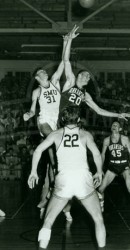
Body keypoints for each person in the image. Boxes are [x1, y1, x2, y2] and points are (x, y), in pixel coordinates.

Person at [28, 106, 106, 250]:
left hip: (64, 179)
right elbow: (96, 154)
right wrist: (99, 172)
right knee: (98, 219)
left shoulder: (56, 134)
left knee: (48, 221)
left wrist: (33, 171)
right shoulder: (86, 135)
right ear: (78, 120)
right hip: (83, 178)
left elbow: (38, 150)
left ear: (63, 119)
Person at [24, 26, 79, 219]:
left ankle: (54, 196)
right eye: (40, 73)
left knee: (54, 160)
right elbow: (32, 109)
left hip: (57, 123)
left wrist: (66, 41)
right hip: (44, 122)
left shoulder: (55, 82)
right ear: (37, 78)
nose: (44, 73)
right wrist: (29, 115)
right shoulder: (37, 92)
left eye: (43, 72)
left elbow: (64, 62)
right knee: (53, 139)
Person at [59, 25, 130, 125]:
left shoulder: (85, 94)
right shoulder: (71, 82)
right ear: (79, 76)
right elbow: (66, 60)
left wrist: (118, 115)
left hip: (72, 122)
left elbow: (99, 110)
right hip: (60, 120)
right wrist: (69, 40)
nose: (88, 77)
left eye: (89, 76)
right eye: (86, 74)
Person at [98, 121, 130, 211]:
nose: (114, 126)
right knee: (100, 189)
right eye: (113, 125)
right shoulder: (106, 140)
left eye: (116, 125)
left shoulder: (124, 139)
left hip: (124, 165)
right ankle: (101, 205)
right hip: (112, 166)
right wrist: (99, 169)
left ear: (120, 129)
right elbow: (103, 155)